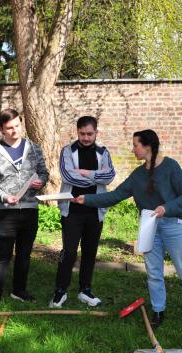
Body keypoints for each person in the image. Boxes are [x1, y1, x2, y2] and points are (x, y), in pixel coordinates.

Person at [74, 130, 182, 332]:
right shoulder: (137, 175)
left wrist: (166, 208)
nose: (133, 149)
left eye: (135, 145)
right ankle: (158, 311)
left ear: (148, 146)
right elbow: (116, 195)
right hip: (149, 226)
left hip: (174, 225)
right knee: (153, 272)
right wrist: (87, 199)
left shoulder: (171, 166)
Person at [0, 109, 49, 309]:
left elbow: (44, 172)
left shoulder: (34, 149)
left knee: (24, 254)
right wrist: (4, 197)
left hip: (29, 209)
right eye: (9, 128)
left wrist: (41, 181)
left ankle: (19, 290)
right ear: (1, 129)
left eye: (17, 126)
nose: (15, 130)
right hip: (5, 212)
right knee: (2, 255)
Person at [50, 116, 116, 308]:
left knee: (90, 251)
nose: (86, 138)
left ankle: (85, 290)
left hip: (95, 210)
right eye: (82, 134)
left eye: (90, 134)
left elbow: (110, 176)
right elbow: (68, 176)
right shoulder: (67, 151)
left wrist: (87, 173)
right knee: (69, 252)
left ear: (96, 133)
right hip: (72, 211)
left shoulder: (103, 152)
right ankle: (60, 291)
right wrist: (97, 177)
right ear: (77, 132)